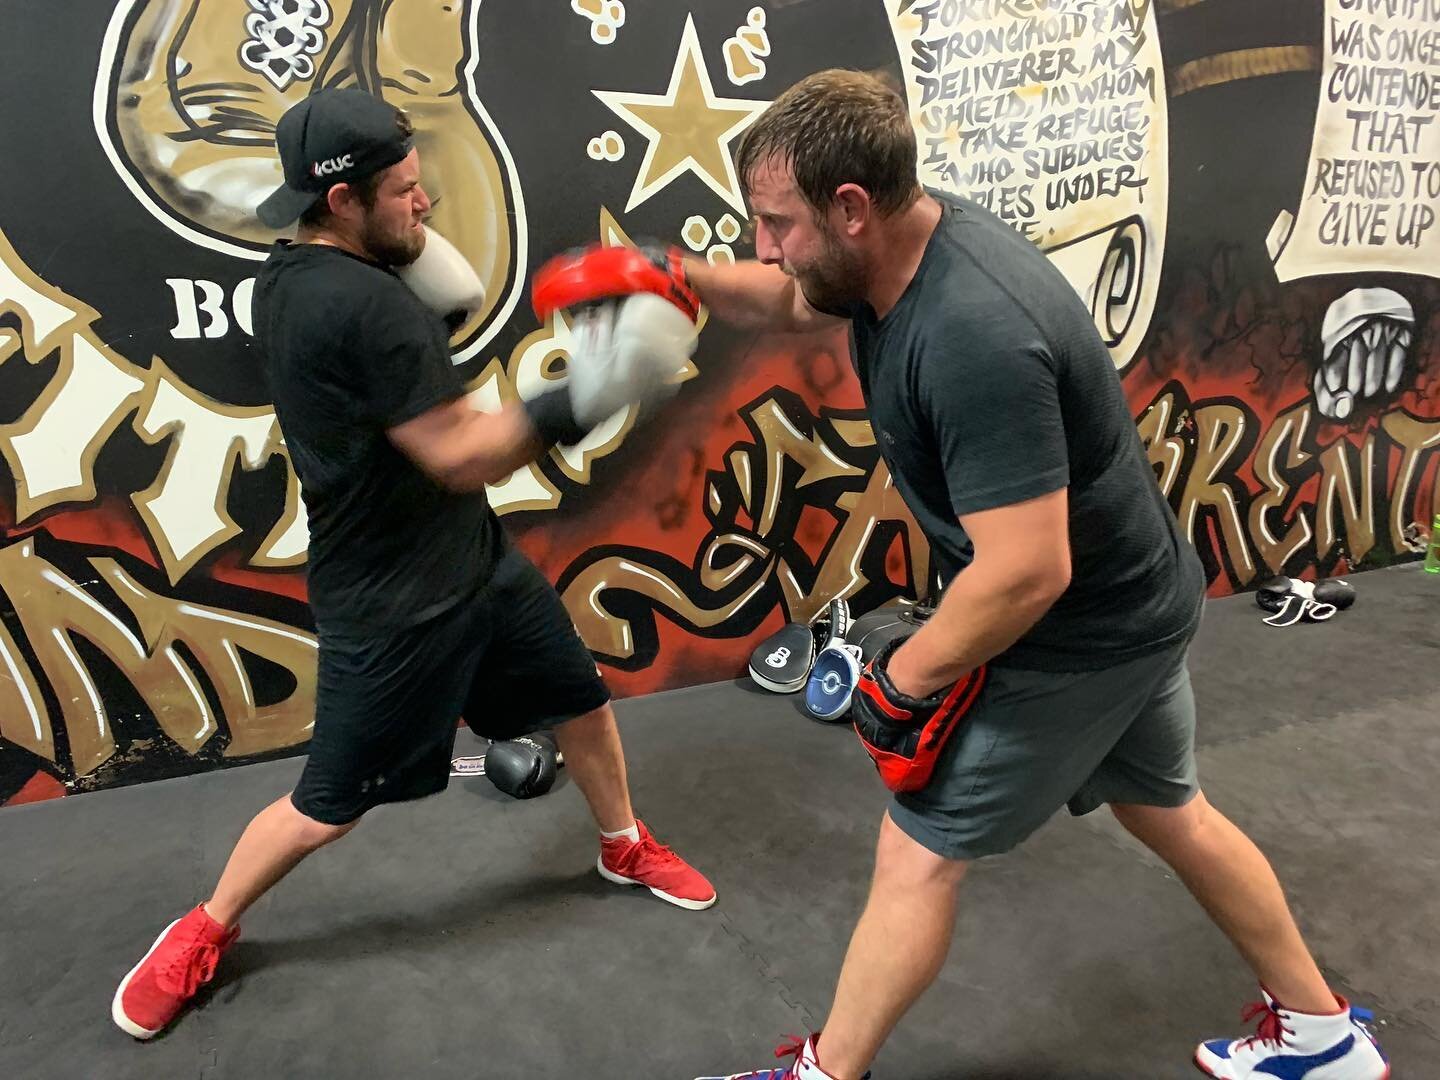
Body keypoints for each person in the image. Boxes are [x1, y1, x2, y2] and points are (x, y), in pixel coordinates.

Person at [560, 70, 1387, 1080]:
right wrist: (672, 276)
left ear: (851, 208)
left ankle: (826, 1073)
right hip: (1135, 597)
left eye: (777, 223)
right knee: (1170, 809)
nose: (767, 246)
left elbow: (1025, 575)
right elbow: (785, 297)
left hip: (1074, 637)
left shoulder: (970, 337)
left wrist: (899, 682)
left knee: (919, 853)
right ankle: (1321, 1032)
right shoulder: (896, 247)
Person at [111, 87, 714, 1042]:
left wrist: (421, 284)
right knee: (326, 807)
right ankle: (204, 927)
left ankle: (622, 844)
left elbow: (433, 433)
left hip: (473, 558)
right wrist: (591, 389)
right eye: (402, 192)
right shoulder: (358, 308)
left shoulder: (292, 266)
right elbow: (459, 454)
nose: (425, 204)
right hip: (393, 602)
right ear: (343, 203)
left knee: (582, 699)